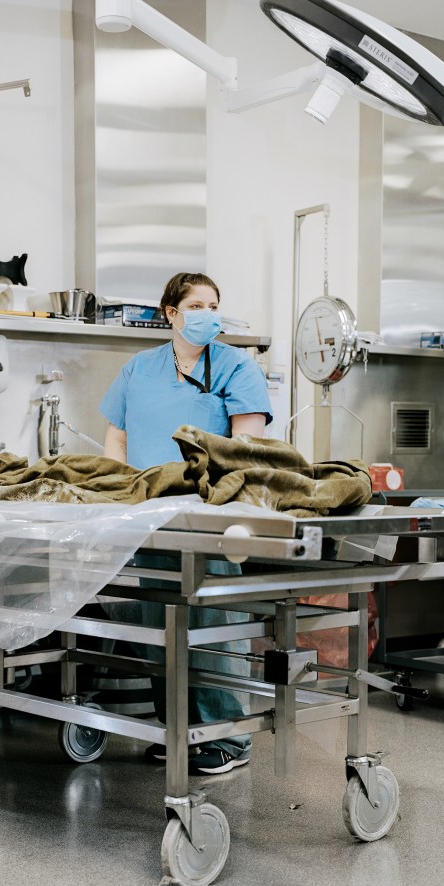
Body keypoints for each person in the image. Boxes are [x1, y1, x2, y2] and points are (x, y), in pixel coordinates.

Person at [99, 271, 273, 774]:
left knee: (210, 621)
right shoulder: (139, 368)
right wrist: (121, 492)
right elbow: (117, 439)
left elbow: (247, 446)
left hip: (209, 515)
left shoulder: (236, 367)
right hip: (149, 511)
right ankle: (178, 729)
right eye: (196, 305)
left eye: (213, 304)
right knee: (159, 618)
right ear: (170, 313)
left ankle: (225, 736)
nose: (207, 314)